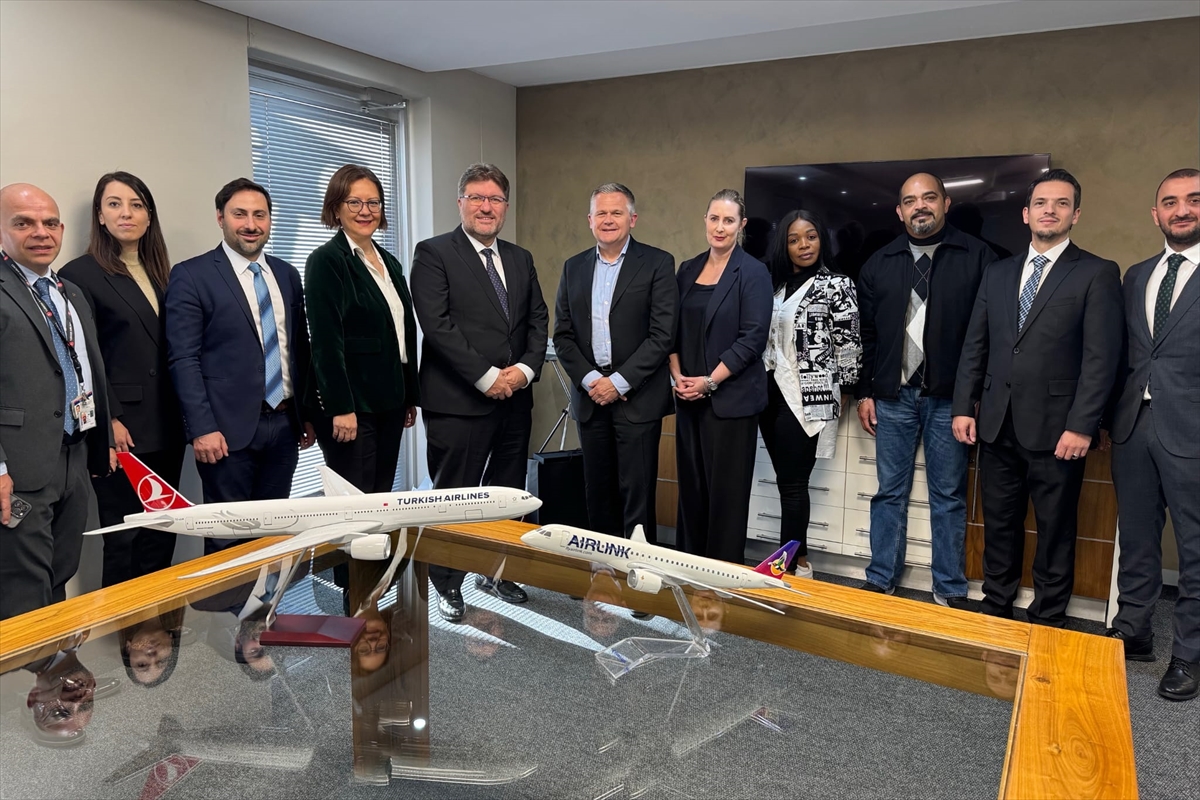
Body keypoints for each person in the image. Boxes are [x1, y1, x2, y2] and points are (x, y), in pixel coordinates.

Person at [953, 169, 1123, 628]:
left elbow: (1101, 358)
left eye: (1061, 203)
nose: (1050, 210)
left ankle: (1048, 616)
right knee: (999, 523)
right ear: (1026, 214)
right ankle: (996, 606)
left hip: (1058, 429)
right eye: (1042, 203)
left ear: (1076, 214)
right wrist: (963, 407)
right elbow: (976, 345)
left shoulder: (1097, 273)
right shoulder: (998, 272)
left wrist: (1083, 425)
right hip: (996, 423)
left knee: (1055, 528)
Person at [410, 163, 548, 622]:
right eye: (476, 197)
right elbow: (438, 326)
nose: (486, 207)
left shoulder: (521, 258)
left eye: (495, 199)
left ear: (505, 206)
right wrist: (488, 377)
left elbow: (537, 321)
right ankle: (446, 582)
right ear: (460, 203)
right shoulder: (433, 253)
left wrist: (523, 371)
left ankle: (497, 571)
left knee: (507, 494)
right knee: (454, 498)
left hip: (515, 401)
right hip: (458, 402)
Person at [856, 173, 995, 608]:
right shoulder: (878, 263)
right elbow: (867, 335)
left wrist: (974, 397)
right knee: (889, 493)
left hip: (950, 401)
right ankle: (881, 577)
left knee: (948, 496)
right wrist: (865, 392)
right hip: (892, 399)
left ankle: (949, 587)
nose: (920, 206)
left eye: (929, 197)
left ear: (945, 204)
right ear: (899, 211)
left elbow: (987, 335)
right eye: (910, 200)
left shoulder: (978, 258)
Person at [165, 178, 315, 555]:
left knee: (274, 535)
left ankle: (267, 597)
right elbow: (183, 358)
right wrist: (202, 428)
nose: (251, 224)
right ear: (220, 218)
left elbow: (299, 350)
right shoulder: (192, 275)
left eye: (259, 215)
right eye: (240, 214)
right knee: (227, 541)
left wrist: (307, 414)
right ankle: (231, 598)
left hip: (284, 426)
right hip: (225, 433)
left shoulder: (286, 274)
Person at [59, 172, 184, 586]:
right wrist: (108, 421)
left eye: (136, 205)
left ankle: (160, 620)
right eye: (114, 204)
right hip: (122, 427)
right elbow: (80, 356)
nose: (125, 213)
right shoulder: (79, 274)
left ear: (149, 216)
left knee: (164, 529)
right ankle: (124, 624)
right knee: (124, 535)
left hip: (167, 423)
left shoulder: (164, 272)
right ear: (100, 215)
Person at [1104, 168, 1200, 701]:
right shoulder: (1137, 276)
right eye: (1170, 201)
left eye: (1193, 199)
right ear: (1155, 214)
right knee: (1137, 538)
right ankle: (1133, 631)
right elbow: (1123, 353)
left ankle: (1188, 654)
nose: (1181, 209)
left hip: (1193, 429)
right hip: (1133, 426)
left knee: (1195, 547)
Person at [0, 183, 114, 621]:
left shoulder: (70, 293)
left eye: (50, 223)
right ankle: (31, 665)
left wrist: (101, 441)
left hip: (74, 456)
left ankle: (52, 661)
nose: (40, 232)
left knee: (60, 573)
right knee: (24, 590)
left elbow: (87, 369)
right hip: (20, 467)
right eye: (23, 223)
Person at [552, 183, 677, 544]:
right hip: (591, 398)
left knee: (637, 495)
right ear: (590, 220)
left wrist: (618, 382)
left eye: (616, 213)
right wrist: (593, 380)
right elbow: (562, 336)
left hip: (637, 398)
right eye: (601, 213)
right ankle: (602, 568)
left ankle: (639, 569)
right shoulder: (573, 267)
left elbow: (662, 335)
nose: (608, 220)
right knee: (598, 492)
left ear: (632, 219)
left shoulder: (657, 263)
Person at [670, 189, 772, 564]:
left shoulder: (754, 272)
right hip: (688, 398)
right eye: (714, 218)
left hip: (731, 402)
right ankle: (687, 569)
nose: (720, 227)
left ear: (741, 225)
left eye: (728, 220)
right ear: (705, 220)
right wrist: (678, 375)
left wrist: (710, 381)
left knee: (726, 499)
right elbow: (670, 329)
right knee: (691, 492)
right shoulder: (687, 269)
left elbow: (752, 339)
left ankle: (720, 580)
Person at [304, 164, 419, 491]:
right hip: (353, 407)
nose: (365, 211)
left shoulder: (389, 262)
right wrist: (341, 408)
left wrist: (409, 396)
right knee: (355, 502)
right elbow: (326, 342)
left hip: (391, 402)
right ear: (336, 208)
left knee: (381, 497)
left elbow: (401, 334)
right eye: (354, 202)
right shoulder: (326, 260)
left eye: (373, 202)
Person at [760, 210, 860, 577]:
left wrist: (845, 390)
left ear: (822, 240)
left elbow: (849, 343)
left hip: (810, 397)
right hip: (768, 394)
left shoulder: (837, 284)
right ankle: (795, 560)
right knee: (785, 481)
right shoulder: (773, 286)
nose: (804, 245)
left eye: (811, 236)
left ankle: (791, 565)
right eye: (794, 239)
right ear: (783, 245)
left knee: (793, 484)